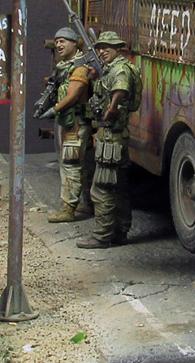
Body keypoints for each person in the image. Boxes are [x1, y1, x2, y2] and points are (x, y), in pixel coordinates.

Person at [77, 31, 140, 249]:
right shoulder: (113, 68)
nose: (102, 51)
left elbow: (120, 89)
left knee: (101, 188)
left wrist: (112, 109)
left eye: (107, 47)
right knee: (118, 186)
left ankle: (102, 236)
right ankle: (120, 231)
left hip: (111, 135)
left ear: (118, 49)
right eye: (100, 48)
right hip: (115, 135)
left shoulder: (119, 68)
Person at [41, 27, 95, 223]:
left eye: (63, 41)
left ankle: (68, 209)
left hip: (76, 124)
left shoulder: (79, 68)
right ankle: (88, 203)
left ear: (74, 43)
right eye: (57, 42)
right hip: (72, 123)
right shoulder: (65, 66)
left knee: (71, 165)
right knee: (84, 165)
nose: (58, 45)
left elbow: (73, 95)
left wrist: (55, 110)